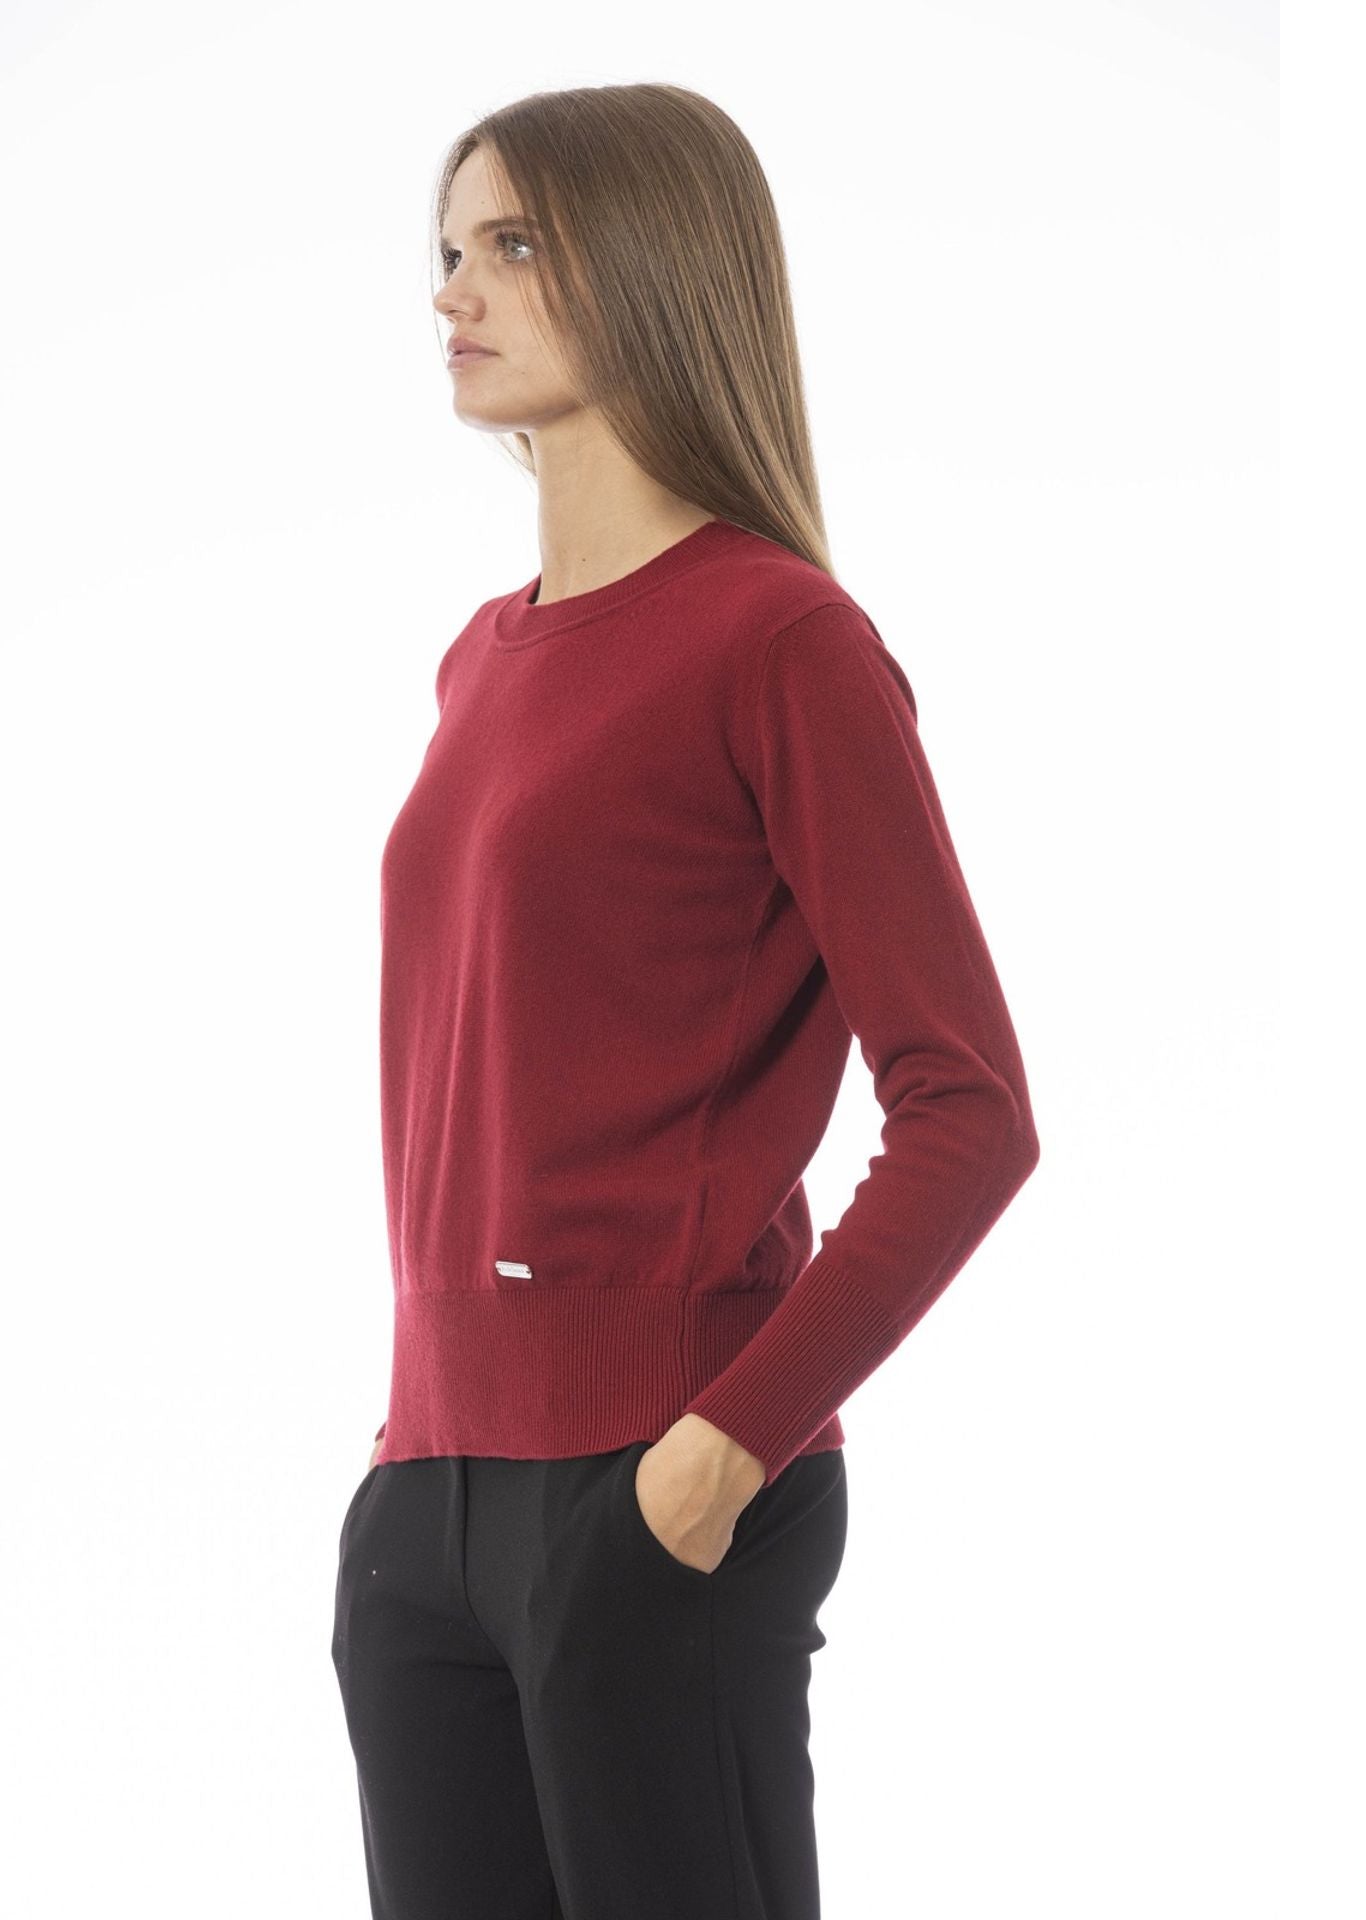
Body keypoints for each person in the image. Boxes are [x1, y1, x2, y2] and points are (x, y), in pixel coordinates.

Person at [331, 82, 1040, 1920]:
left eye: (512, 245)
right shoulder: (480, 660)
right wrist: (410, 1474)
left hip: (654, 1483)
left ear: (650, 264)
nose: (452, 293)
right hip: (427, 1496)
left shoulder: (779, 641)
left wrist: (717, 1454)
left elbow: (970, 1108)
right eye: (448, 250)